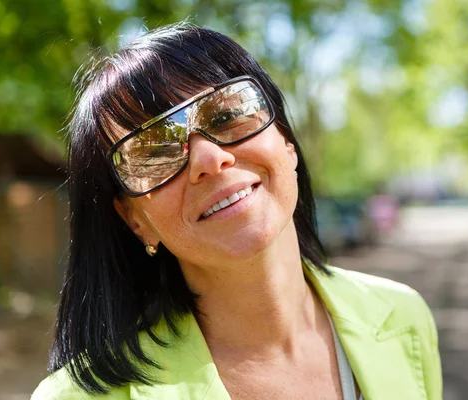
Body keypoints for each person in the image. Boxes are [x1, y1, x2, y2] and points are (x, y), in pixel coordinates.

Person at [32, 23, 442, 400]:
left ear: (286, 142)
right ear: (135, 219)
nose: (209, 159)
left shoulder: (404, 317)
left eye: (228, 114)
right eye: (154, 152)